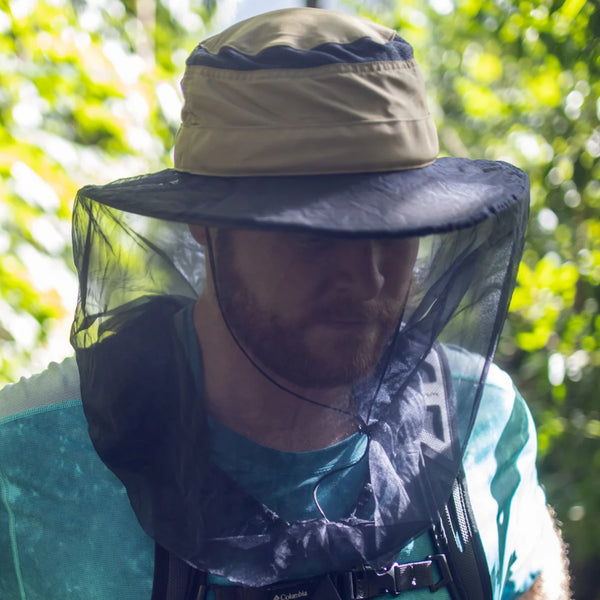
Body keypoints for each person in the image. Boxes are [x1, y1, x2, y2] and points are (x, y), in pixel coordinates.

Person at [0, 8, 570, 600]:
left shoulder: (481, 420)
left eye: (399, 228)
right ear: (204, 222)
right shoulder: (26, 469)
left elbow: (531, 577)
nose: (369, 275)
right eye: (318, 231)